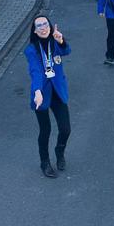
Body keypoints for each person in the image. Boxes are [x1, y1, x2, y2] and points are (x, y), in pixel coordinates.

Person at [25, 16, 71, 178]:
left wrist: (61, 41)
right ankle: (44, 162)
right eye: (39, 26)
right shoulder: (31, 50)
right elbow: (35, 71)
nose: (43, 28)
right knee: (45, 130)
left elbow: (66, 51)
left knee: (65, 129)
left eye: (45, 24)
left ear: (50, 26)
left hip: (58, 91)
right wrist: (37, 91)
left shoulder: (55, 41)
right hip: (42, 94)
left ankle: (59, 151)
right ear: (35, 31)